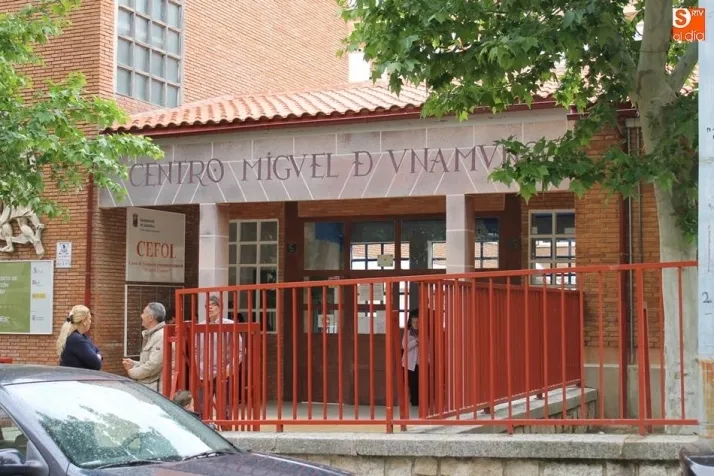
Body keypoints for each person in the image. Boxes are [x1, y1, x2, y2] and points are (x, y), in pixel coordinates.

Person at [197, 295, 244, 420]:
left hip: (223, 373)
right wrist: (198, 367)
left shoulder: (230, 325)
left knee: (224, 409)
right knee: (201, 409)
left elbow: (239, 351)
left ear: (220, 307)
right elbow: (196, 350)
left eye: (213, 304)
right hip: (204, 373)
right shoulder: (200, 326)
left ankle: (225, 428)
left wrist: (229, 369)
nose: (210, 307)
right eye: (207, 305)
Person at [122, 302, 166, 392]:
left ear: (150, 318)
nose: (141, 316)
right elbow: (148, 362)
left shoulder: (161, 336)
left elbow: (153, 366)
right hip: (149, 388)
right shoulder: (153, 335)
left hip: (154, 390)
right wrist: (134, 364)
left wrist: (132, 372)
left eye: (143, 313)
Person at [56, 305, 102, 370]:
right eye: (90, 319)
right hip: (74, 376)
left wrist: (97, 355)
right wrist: (98, 356)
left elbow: (98, 350)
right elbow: (97, 364)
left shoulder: (81, 336)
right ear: (84, 321)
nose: (90, 322)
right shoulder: (76, 340)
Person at [402, 308, 420, 407]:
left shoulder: (424, 332)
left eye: (418, 322)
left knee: (420, 383)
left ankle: (419, 402)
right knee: (412, 383)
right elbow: (405, 346)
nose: (416, 324)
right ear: (411, 323)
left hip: (420, 363)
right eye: (414, 322)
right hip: (409, 363)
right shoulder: (408, 332)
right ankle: (414, 403)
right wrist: (415, 341)